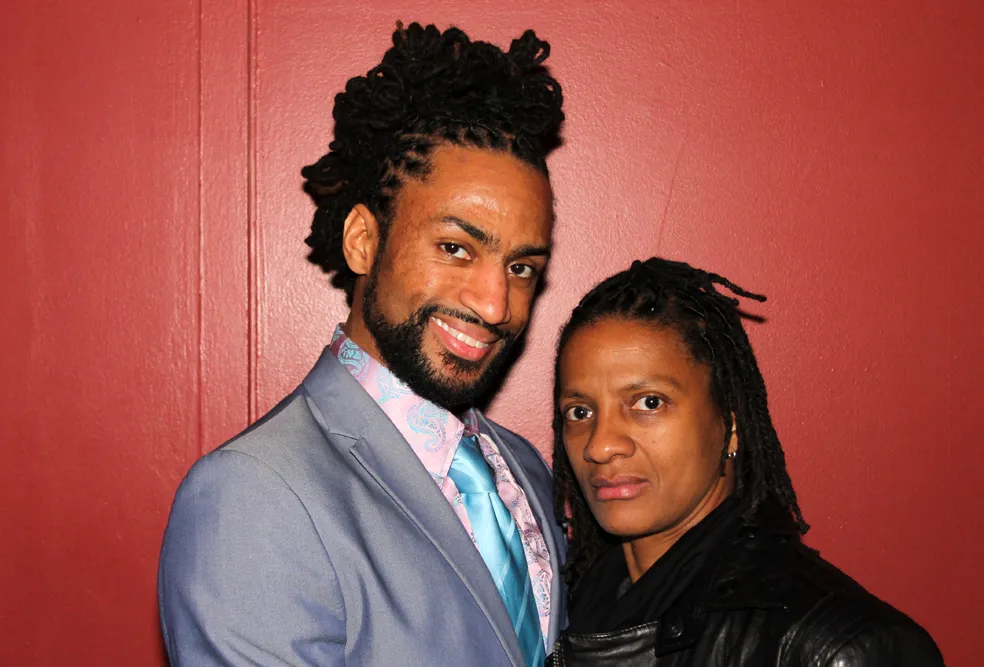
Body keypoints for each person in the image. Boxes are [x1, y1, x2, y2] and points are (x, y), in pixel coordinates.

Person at [158, 23, 566, 667]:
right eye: (456, 248)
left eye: (521, 267)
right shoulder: (250, 498)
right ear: (362, 241)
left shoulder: (522, 469)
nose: (496, 306)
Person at [547, 258, 943, 666]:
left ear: (731, 424)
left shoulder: (839, 649)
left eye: (649, 403)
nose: (600, 445)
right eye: (580, 412)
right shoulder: (566, 606)